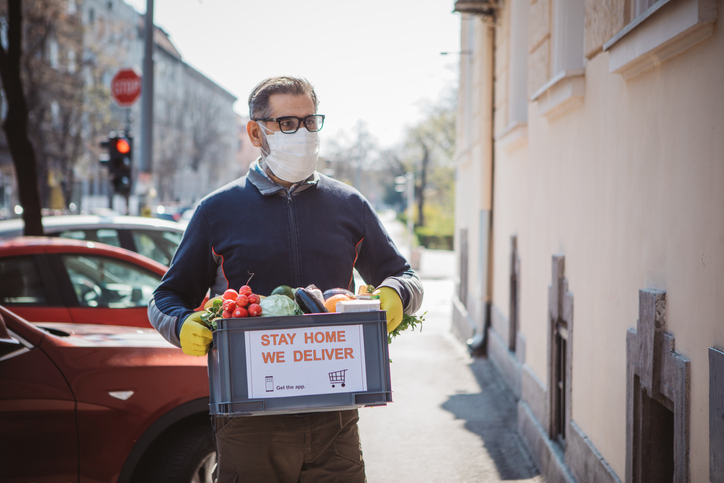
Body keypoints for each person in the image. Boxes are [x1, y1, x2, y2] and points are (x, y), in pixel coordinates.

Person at [148, 75, 423, 483]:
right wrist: (179, 324)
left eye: (311, 122)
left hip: (334, 419)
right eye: (288, 124)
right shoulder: (216, 211)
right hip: (249, 423)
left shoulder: (349, 205)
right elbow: (166, 297)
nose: (304, 134)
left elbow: (405, 276)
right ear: (256, 132)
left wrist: (398, 293)